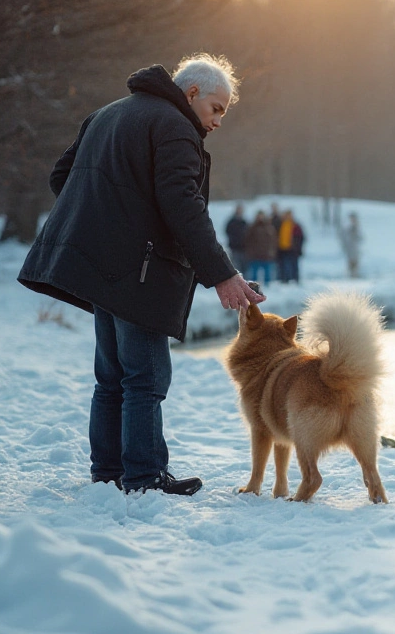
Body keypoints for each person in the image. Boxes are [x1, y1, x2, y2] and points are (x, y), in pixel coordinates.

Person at [18, 54, 263, 496]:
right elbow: (182, 206)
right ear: (191, 94)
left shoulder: (107, 113)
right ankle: (145, 476)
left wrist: (111, 224)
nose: (219, 120)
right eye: (217, 108)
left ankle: (108, 472)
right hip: (140, 272)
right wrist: (223, 275)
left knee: (112, 377)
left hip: (103, 267)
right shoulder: (174, 127)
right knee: (146, 377)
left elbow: (63, 179)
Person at [245, 210, 276, 284]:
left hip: (266, 255)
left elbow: (273, 241)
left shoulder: (269, 227)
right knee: (254, 275)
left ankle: (269, 287)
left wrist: (272, 251)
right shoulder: (252, 227)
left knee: (267, 274)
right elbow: (247, 241)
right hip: (255, 255)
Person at [277, 209, 305, 283]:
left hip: (292, 249)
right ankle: (285, 280)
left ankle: (295, 280)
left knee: (293, 266)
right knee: (284, 266)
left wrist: (297, 247)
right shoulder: (281, 224)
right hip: (282, 249)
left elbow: (301, 237)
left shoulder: (295, 225)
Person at [225, 203, 248, 272]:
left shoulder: (244, 222)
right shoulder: (231, 222)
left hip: (244, 248)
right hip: (234, 247)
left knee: (244, 266)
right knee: (236, 265)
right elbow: (227, 232)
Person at [341, 211, 363, 278]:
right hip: (349, 247)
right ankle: (350, 274)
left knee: (355, 261)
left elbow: (360, 237)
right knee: (350, 261)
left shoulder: (357, 226)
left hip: (355, 247)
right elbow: (344, 237)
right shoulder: (347, 227)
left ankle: (355, 274)